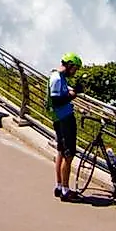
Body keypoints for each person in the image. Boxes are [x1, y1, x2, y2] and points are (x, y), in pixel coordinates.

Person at [49, 53, 82, 197]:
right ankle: (65, 190)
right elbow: (57, 101)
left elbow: (62, 93)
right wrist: (74, 94)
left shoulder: (58, 76)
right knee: (68, 154)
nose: (75, 72)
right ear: (69, 65)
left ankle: (59, 186)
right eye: (75, 68)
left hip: (61, 118)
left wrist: (71, 90)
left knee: (62, 152)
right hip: (64, 119)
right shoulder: (57, 79)